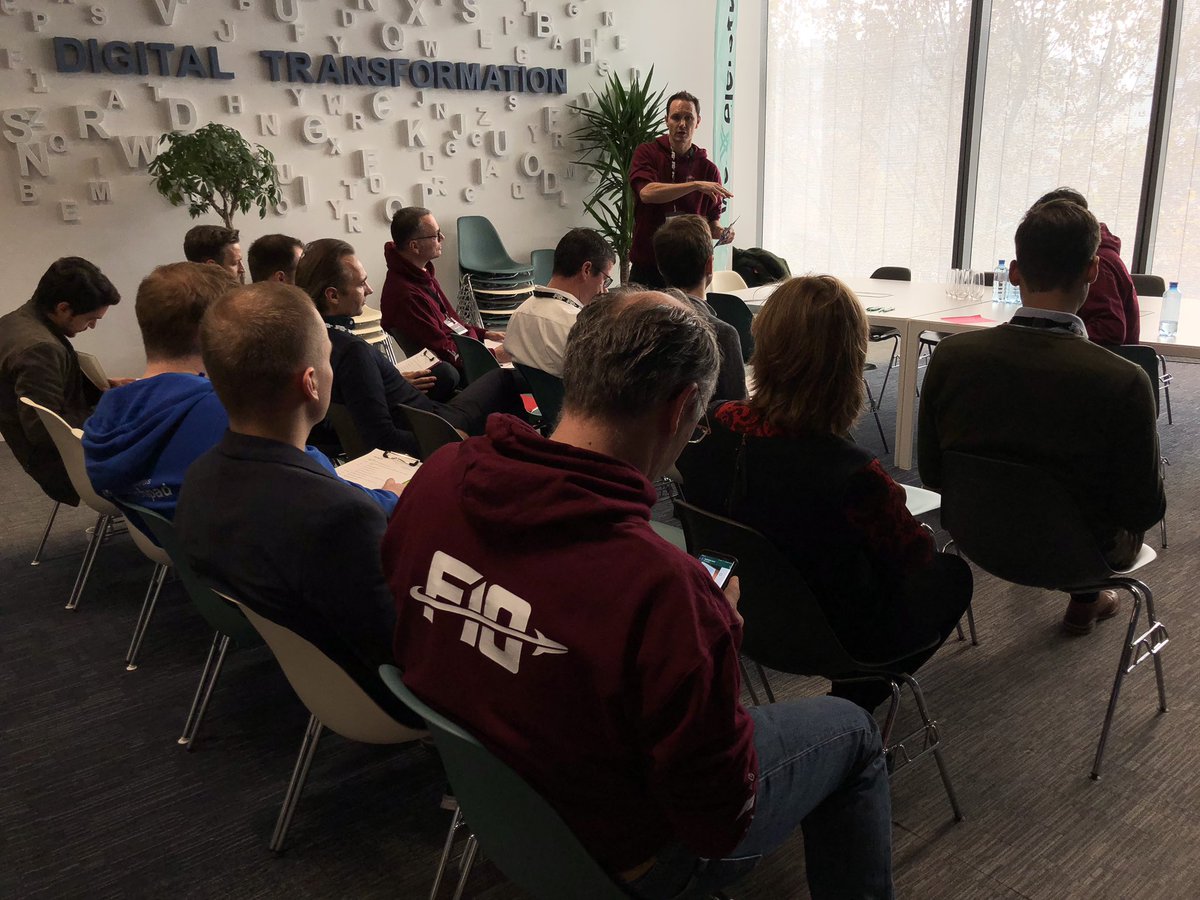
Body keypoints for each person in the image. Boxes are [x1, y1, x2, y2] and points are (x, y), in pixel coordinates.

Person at [382, 291, 893, 899]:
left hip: (500, 805)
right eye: (698, 423)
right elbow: (719, 823)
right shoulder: (663, 593)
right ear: (680, 408)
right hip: (633, 860)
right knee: (854, 729)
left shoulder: (440, 475)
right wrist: (714, 636)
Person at [677, 275, 971, 710]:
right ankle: (857, 703)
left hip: (739, 610)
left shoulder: (710, 426)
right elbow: (913, 557)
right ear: (851, 362)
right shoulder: (854, 473)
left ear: (765, 343)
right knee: (953, 576)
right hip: (836, 639)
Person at [174, 282, 418, 724]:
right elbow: (403, 652)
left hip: (310, 677)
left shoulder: (200, 475)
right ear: (310, 382)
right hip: (384, 699)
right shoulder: (339, 518)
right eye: (326, 357)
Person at [919, 200, 1164, 635]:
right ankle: (1087, 599)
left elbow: (934, 473)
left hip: (976, 536)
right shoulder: (1122, 381)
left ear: (1014, 272)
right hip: (1082, 556)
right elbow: (1143, 507)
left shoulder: (951, 356)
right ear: (1093, 270)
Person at [296, 239, 525, 457]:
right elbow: (381, 437)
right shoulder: (353, 352)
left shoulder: (313, 339)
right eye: (361, 283)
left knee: (452, 374)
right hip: (435, 426)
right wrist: (450, 440)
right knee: (505, 379)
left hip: (423, 414)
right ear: (333, 295)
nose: (369, 289)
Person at [83, 263, 235, 525]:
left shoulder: (108, 408)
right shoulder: (222, 412)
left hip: (172, 545)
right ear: (211, 332)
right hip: (231, 551)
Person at [0, 257, 123, 505]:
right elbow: (45, 430)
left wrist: (106, 392)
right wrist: (112, 415)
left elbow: (53, 388)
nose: (93, 326)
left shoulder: (14, 322)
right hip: (66, 464)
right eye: (91, 319)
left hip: (51, 453)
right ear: (63, 308)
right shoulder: (39, 348)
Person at [379, 206, 508, 372]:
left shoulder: (421, 274)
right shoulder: (406, 294)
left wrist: (485, 335)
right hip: (463, 369)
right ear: (415, 246)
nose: (443, 238)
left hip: (468, 353)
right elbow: (442, 350)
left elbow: (450, 322)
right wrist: (493, 355)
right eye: (436, 235)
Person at [628, 91, 733, 289]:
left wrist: (723, 232)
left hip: (689, 272)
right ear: (666, 120)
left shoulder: (709, 170)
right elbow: (647, 193)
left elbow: (711, 223)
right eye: (676, 117)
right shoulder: (647, 153)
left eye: (688, 118)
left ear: (698, 121)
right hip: (648, 266)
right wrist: (694, 185)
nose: (682, 124)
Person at [654, 214, 748, 401]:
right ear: (710, 264)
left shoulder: (641, 321)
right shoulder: (722, 334)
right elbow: (737, 410)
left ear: (660, 266)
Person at [502, 227, 615, 376]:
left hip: (530, 398)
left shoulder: (520, 313)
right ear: (586, 270)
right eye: (604, 280)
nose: (605, 290)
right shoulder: (579, 328)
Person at [1033, 187, 1139, 345]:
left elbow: (1109, 330)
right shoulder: (1091, 254)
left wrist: (1055, 338)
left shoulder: (1096, 262)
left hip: (1104, 364)